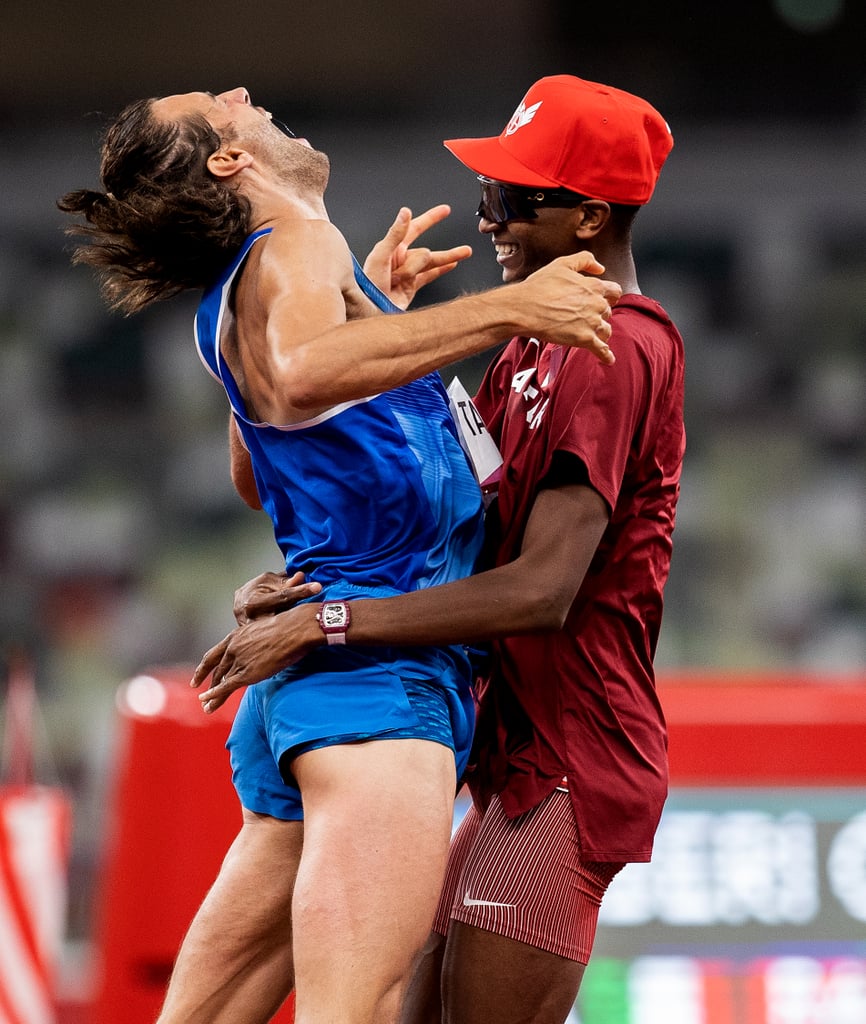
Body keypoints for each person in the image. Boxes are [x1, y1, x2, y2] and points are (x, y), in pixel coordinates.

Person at [57, 86, 620, 1024]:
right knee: (351, 1008)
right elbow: (306, 374)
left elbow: (269, 452)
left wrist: (381, 316)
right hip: (379, 687)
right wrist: (512, 307)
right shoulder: (298, 243)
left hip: (311, 689)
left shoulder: (244, 288)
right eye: (219, 104)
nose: (243, 94)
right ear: (229, 162)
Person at [194, 74, 685, 1024]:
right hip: (511, 750)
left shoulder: (611, 348)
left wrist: (327, 625)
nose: (490, 219)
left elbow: (540, 589)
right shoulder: (528, 346)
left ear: (587, 218)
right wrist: (368, 314)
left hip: (570, 759)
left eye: (511, 201)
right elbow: (462, 511)